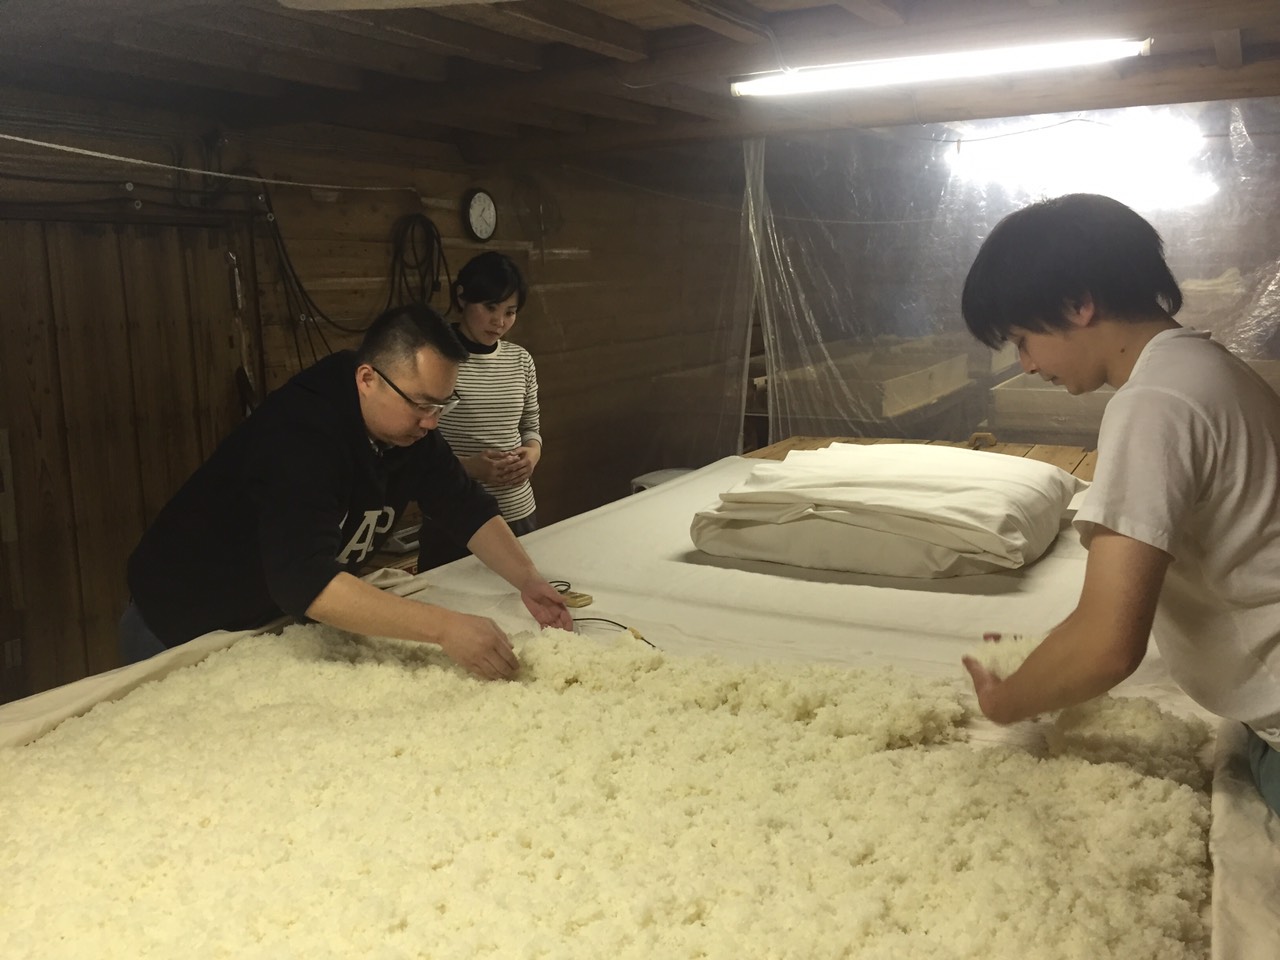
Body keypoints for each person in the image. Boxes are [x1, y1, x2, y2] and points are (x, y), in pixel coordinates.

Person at [958, 192, 1280, 815]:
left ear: (1080, 304)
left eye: (1023, 339)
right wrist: (1041, 657)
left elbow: (1109, 644)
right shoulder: (1205, 366)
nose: (1024, 365)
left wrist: (1006, 702)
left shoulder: (1154, 403)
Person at [123, 302, 572, 680]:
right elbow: (307, 580)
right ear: (366, 379)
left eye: (442, 404)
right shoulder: (300, 434)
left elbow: (464, 505)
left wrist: (529, 580)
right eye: (421, 403)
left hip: (270, 619)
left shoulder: (410, 432)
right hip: (183, 620)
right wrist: (445, 628)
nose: (431, 421)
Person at [416, 252, 543, 570]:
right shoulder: (435, 357)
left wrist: (532, 453)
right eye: (490, 307)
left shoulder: (520, 359)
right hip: (454, 515)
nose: (499, 321)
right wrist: (469, 467)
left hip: (517, 510)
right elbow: (413, 441)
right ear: (462, 297)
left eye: (510, 312)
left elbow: (531, 424)